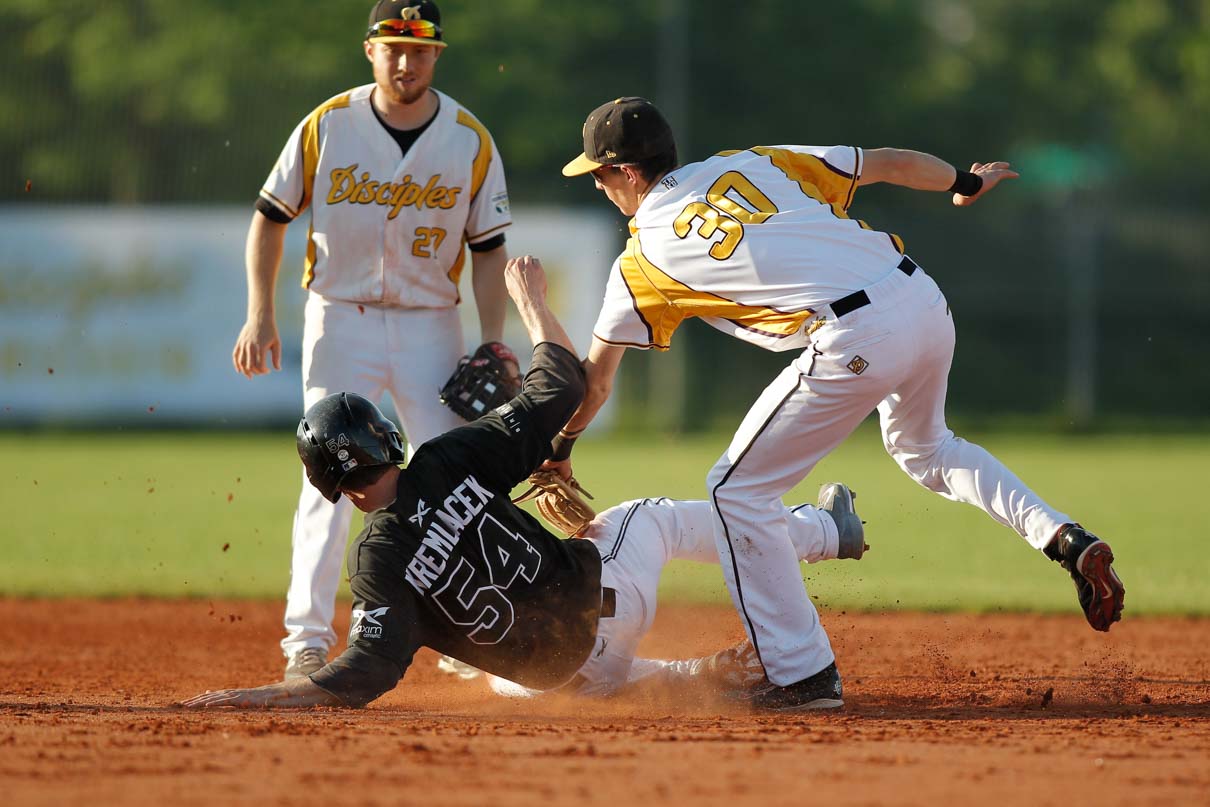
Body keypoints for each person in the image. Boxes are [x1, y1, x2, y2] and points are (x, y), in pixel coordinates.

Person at [549, 96, 1126, 711]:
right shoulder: (754, 162)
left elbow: (598, 381)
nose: (602, 187)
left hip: (854, 332)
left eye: (602, 174)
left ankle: (800, 673)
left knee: (735, 491)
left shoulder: (642, 260)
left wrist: (559, 449)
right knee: (929, 450)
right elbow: (891, 163)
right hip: (921, 297)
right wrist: (966, 181)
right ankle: (1064, 537)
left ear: (629, 173)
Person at [183, 257, 868, 712]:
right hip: (605, 611)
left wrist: (260, 694)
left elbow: (365, 670)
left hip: (556, 681)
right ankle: (820, 532)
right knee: (648, 516)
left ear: (331, 484)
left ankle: (700, 682)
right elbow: (562, 382)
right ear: (388, 438)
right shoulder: (447, 460)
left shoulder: (376, 564)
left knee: (498, 672)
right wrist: (532, 303)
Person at [231, 0, 514, 679]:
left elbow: (490, 248)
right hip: (341, 317)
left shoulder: (469, 139)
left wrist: (494, 338)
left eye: (419, 49)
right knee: (328, 478)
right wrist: (259, 313)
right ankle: (305, 636)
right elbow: (270, 216)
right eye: (393, 46)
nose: (406, 60)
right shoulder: (328, 125)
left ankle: (469, 636)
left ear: (437, 54)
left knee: (454, 478)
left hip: (430, 322)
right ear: (370, 50)